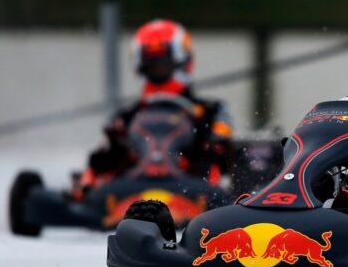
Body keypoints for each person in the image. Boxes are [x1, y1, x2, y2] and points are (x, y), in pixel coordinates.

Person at [72, 19, 234, 199]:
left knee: (219, 151)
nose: (158, 70)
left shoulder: (210, 111)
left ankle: (219, 196)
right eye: (152, 66)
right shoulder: (127, 116)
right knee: (106, 154)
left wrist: (208, 140)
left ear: (183, 62)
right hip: (131, 191)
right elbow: (104, 157)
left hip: (195, 190)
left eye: (163, 65)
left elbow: (224, 148)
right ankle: (90, 193)